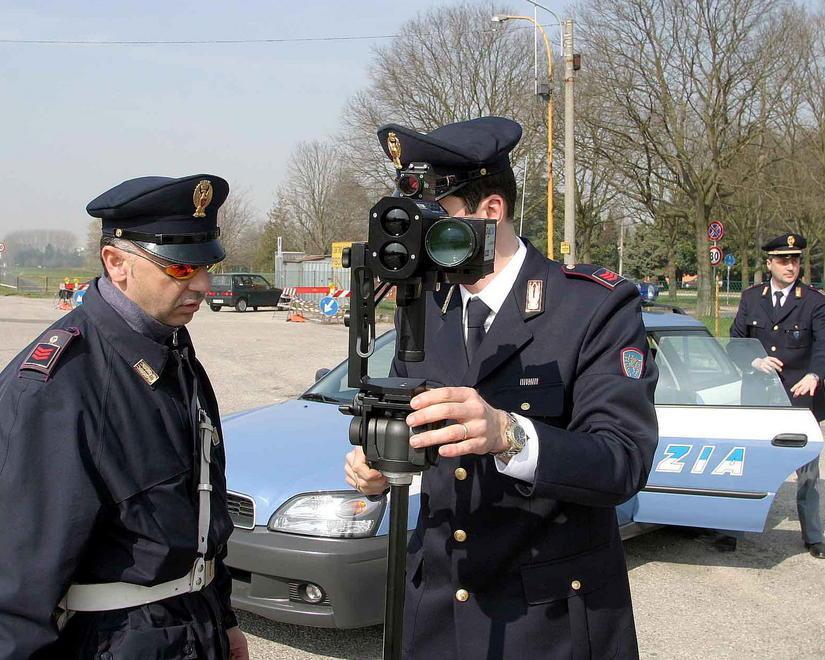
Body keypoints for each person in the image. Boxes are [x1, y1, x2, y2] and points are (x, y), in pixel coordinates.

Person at [345, 117, 659, 659]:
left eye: (436, 219)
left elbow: (623, 460)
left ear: (491, 212)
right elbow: (420, 428)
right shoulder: (429, 307)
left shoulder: (592, 307)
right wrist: (379, 462)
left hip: (546, 624)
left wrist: (508, 433)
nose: (418, 237)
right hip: (437, 615)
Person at [0, 175, 249, 659]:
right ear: (117, 263)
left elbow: (197, 508)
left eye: (207, 265)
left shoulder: (173, 350)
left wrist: (223, 619)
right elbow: (15, 588)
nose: (202, 284)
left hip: (196, 629)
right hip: (116, 641)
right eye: (180, 267)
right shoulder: (58, 385)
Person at [730, 233, 825, 559]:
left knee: (808, 471)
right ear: (769, 263)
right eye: (783, 260)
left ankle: (814, 536)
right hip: (758, 394)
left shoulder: (813, 300)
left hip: (799, 398)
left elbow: (823, 346)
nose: (790, 266)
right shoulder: (751, 298)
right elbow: (735, 343)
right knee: (744, 463)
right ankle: (730, 529)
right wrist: (754, 359)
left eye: (795, 260)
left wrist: (815, 375)